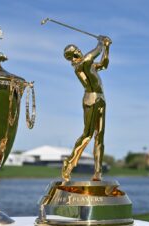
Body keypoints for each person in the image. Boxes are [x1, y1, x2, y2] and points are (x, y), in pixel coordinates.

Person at [62, 35, 112, 181]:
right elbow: (93, 54)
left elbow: (103, 64)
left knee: (100, 136)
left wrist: (107, 48)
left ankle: (98, 172)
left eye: (77, 48)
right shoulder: (81, 65)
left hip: (101, 99)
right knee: (88, 134)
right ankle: (69, 164)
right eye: (75, 50)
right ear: (72, 57)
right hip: (91, 99)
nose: (78, 50)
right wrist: (101, 43)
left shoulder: (88, 64)